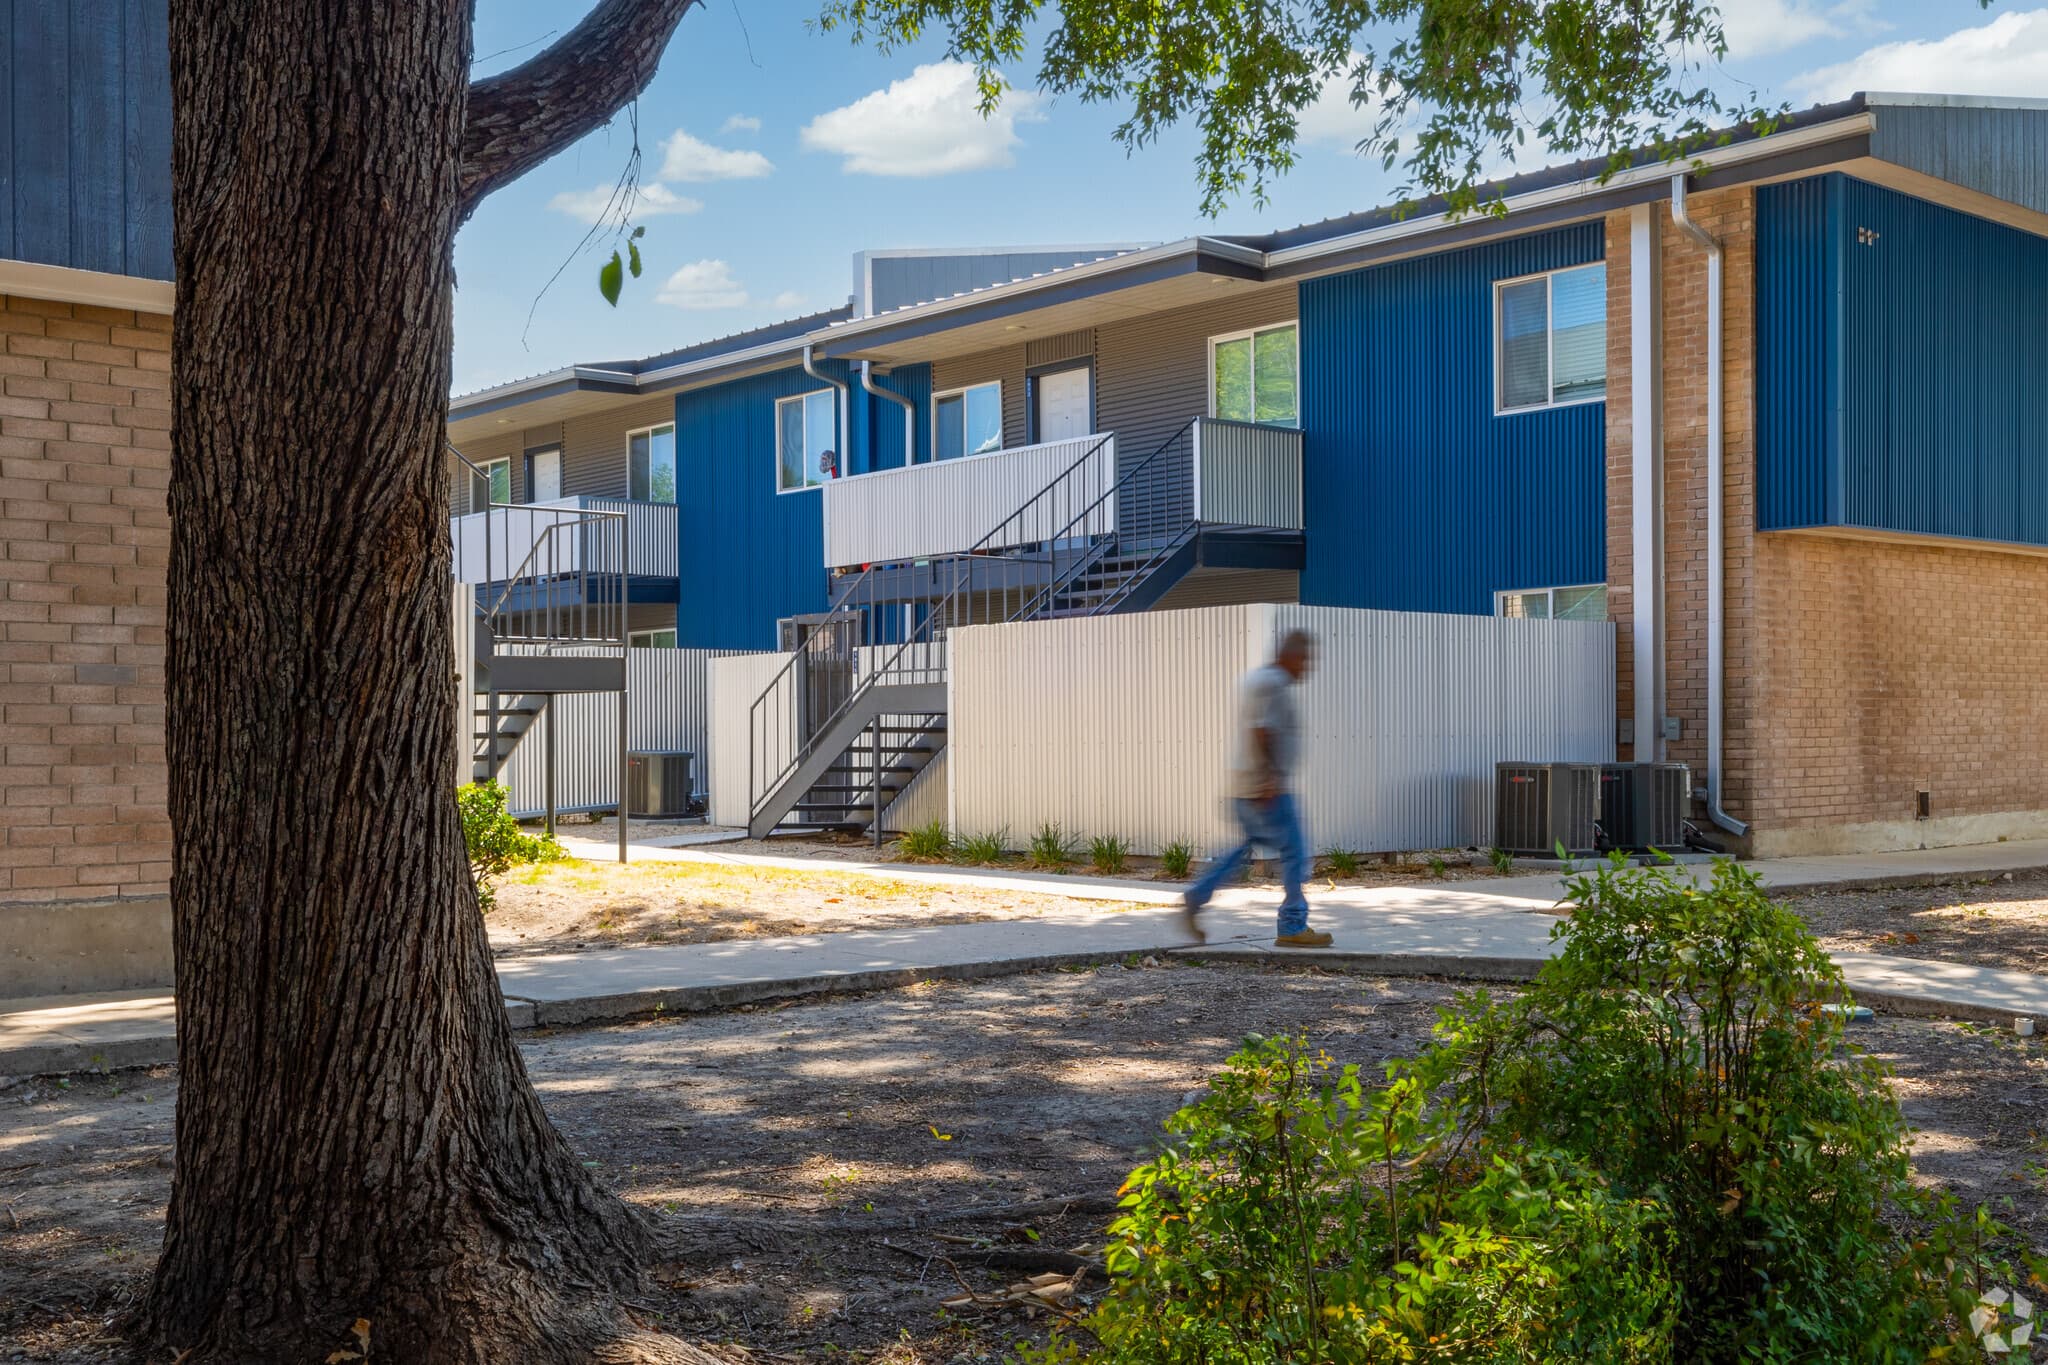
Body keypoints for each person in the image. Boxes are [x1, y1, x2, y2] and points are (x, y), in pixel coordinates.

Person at [1181, 629, 1331, 948]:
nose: (1306, 667)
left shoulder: (1255, 680)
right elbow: (1262, 731)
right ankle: (1292, 925)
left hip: (1245, 785)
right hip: (1265, 787)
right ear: (1291, 656)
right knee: (1295, 850)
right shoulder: (1274, 685)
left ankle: (1197, 895)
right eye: (1305, 660)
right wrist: (1270, 778)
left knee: (1243, 850)